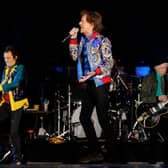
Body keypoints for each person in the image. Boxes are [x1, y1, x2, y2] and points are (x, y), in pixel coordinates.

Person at [69, 9, 114, 163]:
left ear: (92, 23)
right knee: (84, 117)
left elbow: (109, 63)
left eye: (82, 20)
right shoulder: (83, 40)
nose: (79, 23)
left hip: (100, 82)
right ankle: (96, 151)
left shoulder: (103, 40)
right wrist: (73, 39)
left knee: (103, 118)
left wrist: (93, 73)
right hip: (89, 84)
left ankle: (113, 152)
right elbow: (74, 57)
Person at [0, 45, 29, 165]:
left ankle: (18, 156)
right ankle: (7, 150)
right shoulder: (5, 70)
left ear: (15, 57)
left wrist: (2, 87)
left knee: (14, 131)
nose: (7, 61)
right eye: (5, 58)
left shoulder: (20, 68)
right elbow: (3, 86)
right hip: (6, 103)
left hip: (17, 103)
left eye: (9, 58)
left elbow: (16, 83)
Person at [140, 56, 168, 162]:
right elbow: (143, 97)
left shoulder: (166, 78)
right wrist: (157, 98)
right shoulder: (149, 78)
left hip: (164, 110)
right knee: (153, 137)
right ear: (156, 67)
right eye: (163, 67)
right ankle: (152, 159)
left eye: (166, 67)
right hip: (153, 110)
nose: (165, 70)